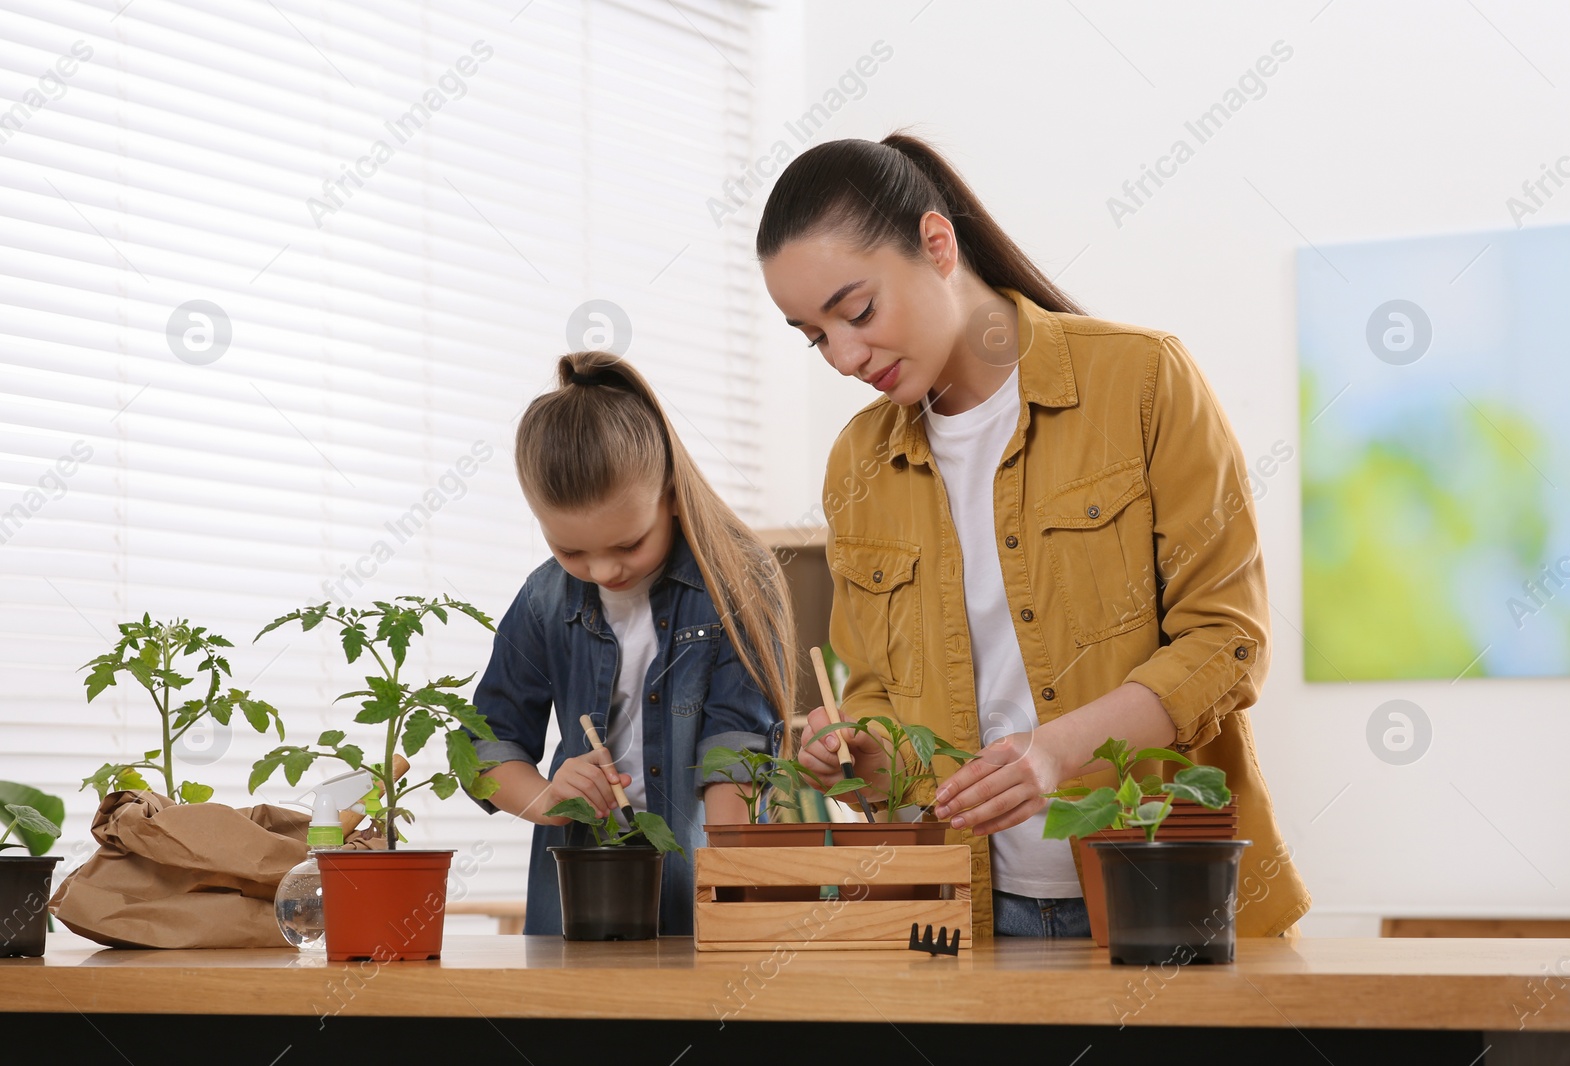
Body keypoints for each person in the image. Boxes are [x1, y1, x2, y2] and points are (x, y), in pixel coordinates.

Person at [757, 132, 1309, 938]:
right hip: (967, 916)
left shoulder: (1144, 381)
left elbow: (1227, 640)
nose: (844, 355)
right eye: (815, 335)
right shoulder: (857, 463)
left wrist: (1058, 752)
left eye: (858, 312)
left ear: (937, 244)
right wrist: (856, 750)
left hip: (1163, 892)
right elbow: (874, 690)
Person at [466, 350, 795, 935]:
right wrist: (549, 799)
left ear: (669, 489)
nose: (603, 571)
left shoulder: (736, 582)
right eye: (571, 552)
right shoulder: (544, 600)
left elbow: (736, 753)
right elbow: (485, 751)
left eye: (628, 545)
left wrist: (726, 884)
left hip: (700, 881)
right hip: (577, 895)